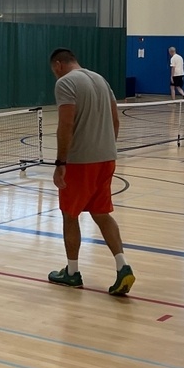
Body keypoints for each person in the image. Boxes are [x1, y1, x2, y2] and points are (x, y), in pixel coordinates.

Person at [46, 48, 135, 297]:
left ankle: (72, 273)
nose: (54, 73)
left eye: (54, 69)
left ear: (59, 64)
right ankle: (122, 266)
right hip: (107, 158)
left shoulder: (66, 83)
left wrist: (60, 162)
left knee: (70, 215)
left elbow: (66, 123)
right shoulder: (101, 80)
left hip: (80, 162)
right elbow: (115, 120)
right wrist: (107, 148)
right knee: (101, 212)